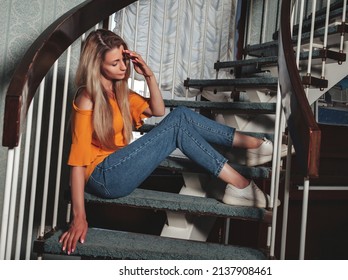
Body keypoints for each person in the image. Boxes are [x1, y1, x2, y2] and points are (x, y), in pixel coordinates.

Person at [59, 29, 279, 255]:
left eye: (124, 60)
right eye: (115, 63)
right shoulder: (87, 98)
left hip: (118, 168)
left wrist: (148, 75)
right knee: (177, 123)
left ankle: (250, 150)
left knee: (180, 115)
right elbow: (77, 163)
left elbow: (158, 109)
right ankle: (245, 169)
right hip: (103, 176)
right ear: (96, 65)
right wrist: (79, 217)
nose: (123, 68)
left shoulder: (120, 92)